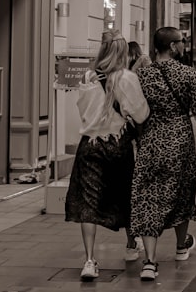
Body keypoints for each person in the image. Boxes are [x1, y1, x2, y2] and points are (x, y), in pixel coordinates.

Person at [130, 27, 196, 281]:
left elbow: (136, 111)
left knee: (148, 196)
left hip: (150, 142)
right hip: (180, 142)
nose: (184, 45)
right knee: (182, 191)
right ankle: (181, 247)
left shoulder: (142, 75)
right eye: (181, 42)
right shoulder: (187, 74)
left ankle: (150, 261)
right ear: (172, 47)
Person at [65, 30, 150, 281]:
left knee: (88, 203)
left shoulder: (88, 76)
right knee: (126, 194)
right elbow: (141, 114)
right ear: (123, 52)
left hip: (90, 145)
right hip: (118, 144)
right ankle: (131, 244)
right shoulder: (127, 78)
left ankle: (90, 261)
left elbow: (82, 110)